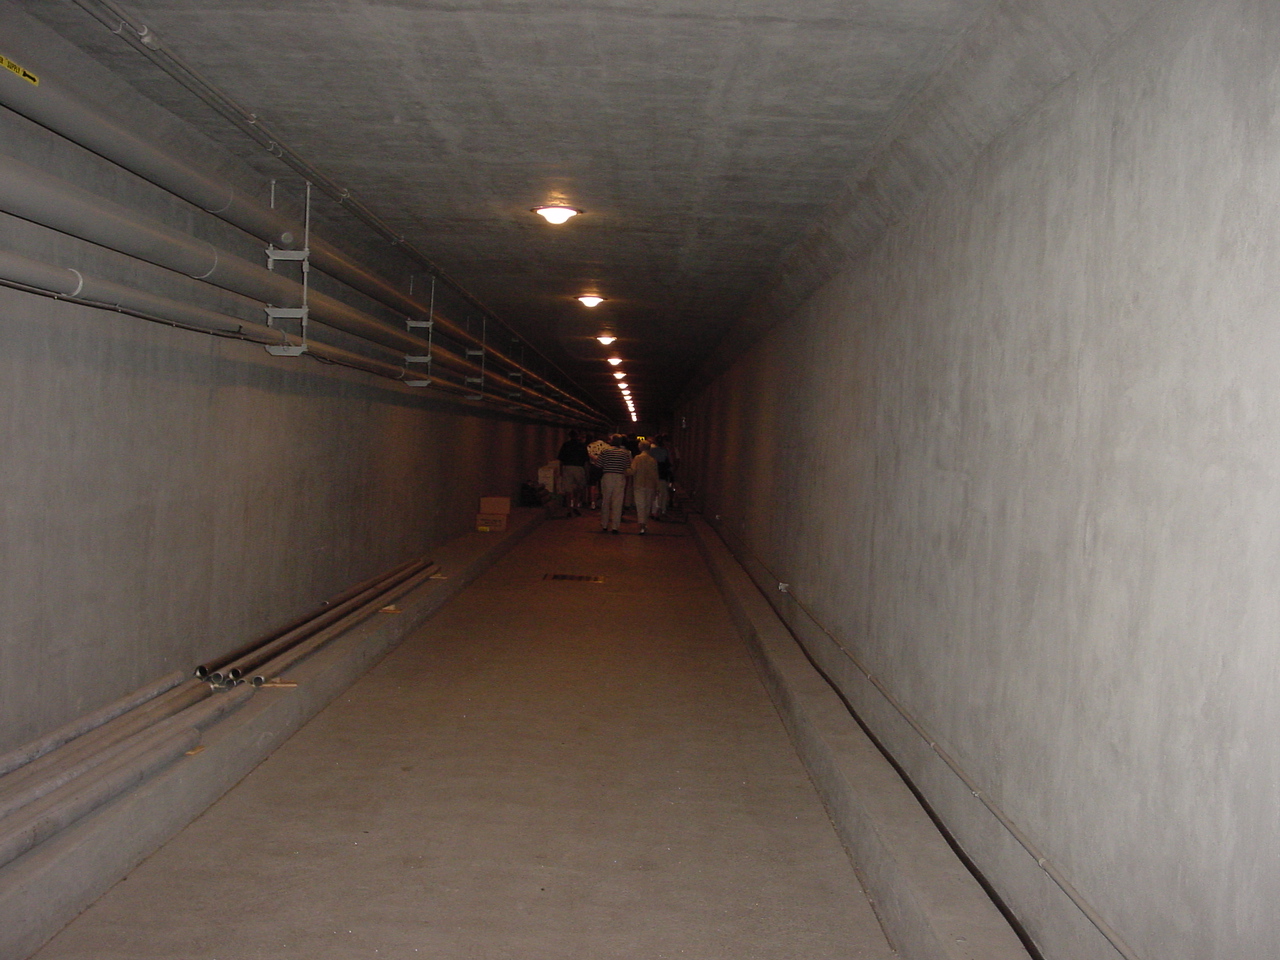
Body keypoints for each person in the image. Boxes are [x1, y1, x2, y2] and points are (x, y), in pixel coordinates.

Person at [591, 435, 632, 534]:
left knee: (606, 500)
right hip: (619, 477)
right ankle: (615, 527)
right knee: (617, 502)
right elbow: (627, 466)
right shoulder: (625, 453)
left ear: (611, 442)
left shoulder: (605, 451)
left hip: (607, 476)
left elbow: (598, 465)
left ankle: (604, 524)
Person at [629, 440, 660, 534]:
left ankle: (641, 524)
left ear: (640, 448)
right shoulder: (653, 460)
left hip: (639, 484)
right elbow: (655, 475)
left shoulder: (637, 458)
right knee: (647, 505)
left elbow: (633, 471)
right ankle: (645, 523)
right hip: (650, 485)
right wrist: (657, 487)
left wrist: (624, 471)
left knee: (640, 505)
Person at [556, 430, 589, 516]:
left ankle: (569, 509)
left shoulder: (566, 445)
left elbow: (561, 459)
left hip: (568, 467)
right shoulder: (582, 445)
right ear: (577, 436)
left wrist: (561, 471)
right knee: (579, 488)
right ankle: (575, 506)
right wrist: (586, 472)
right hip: (579, 468)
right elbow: (586, 460)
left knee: (568, 489)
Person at [648, 435, 671, 518]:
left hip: (654, 473)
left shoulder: (652, 451)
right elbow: (669, 463)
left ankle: (654, 511)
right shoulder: (665, 451)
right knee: (663, 493)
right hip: (663, 474)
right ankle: (662, 509)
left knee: (654, 494)